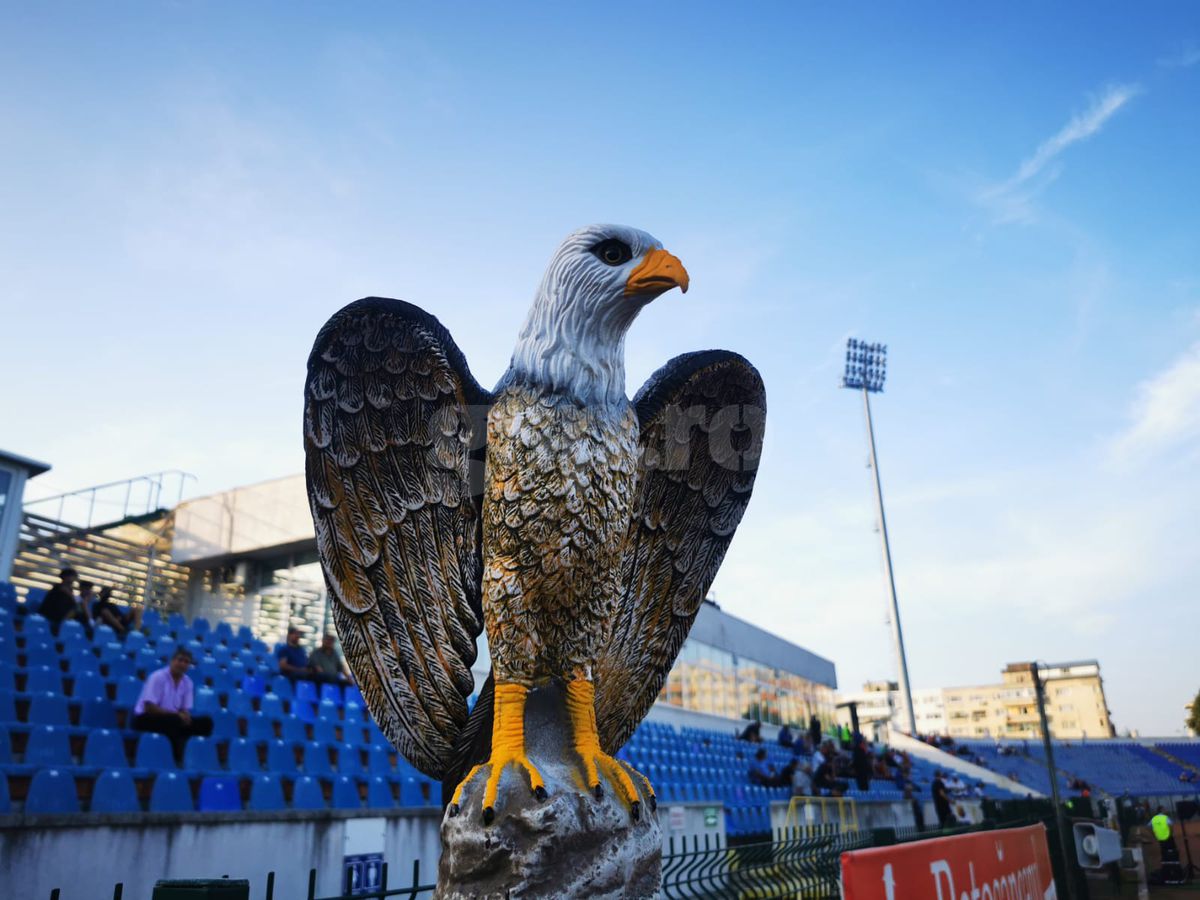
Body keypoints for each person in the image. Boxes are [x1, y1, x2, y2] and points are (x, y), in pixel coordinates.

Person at [132, 649, 213, 763]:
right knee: (174, 720)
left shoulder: (188, 682)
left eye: (186, 662)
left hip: (171, 719)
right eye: (180, 660)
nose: (183, 664)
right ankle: (175, 760)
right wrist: (178, 715)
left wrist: (186, 716)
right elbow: (149, 708)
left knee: (206, 722)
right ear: (172, 661)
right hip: (145, 718)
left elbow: (185, 709)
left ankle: (199, 759)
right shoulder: (157, 677)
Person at [39, 568, 79, 635]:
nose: (74, 579)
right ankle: (62, 628)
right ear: (65, 577)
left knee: (78, 610)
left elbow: (77, 602)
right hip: (52, 612)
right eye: (72, 576)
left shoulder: (70, 589)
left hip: (61, 613)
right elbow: (74, 600)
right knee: (76, 609)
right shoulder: (59, 587)